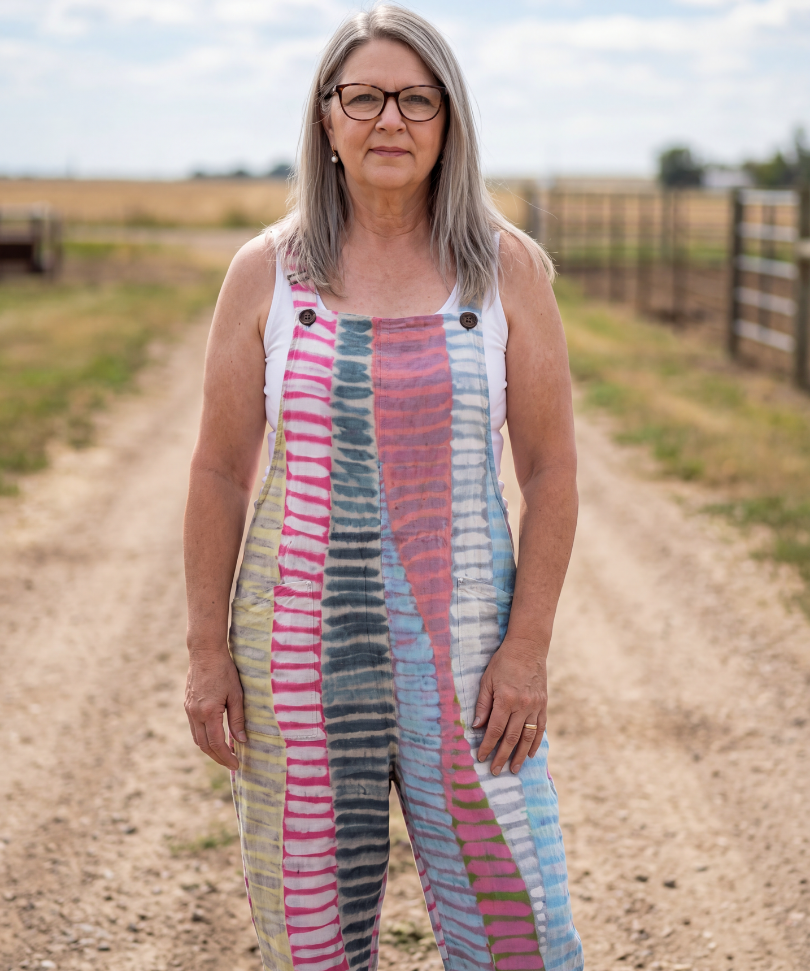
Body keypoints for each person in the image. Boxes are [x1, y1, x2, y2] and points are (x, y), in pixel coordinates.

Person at [183, 6, 583, 970]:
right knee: (313, 946)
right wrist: (205, 651)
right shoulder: (266, 273)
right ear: (327, 118)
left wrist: (527, 648)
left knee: (520, 937)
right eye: (363, 97)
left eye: (416, 98)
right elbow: (220, 470)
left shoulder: (506, 268)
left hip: (470, 667)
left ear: (450, 120)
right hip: (296, 663)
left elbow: (551, 469)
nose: (390, 120)